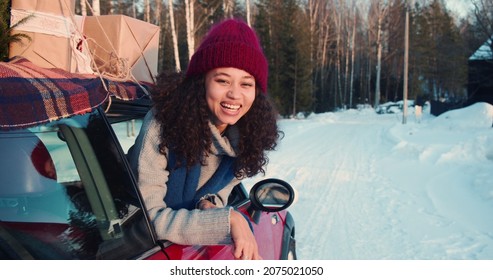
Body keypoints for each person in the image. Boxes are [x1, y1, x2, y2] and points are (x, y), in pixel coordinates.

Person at [127, 18, 281, 260]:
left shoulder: (245, 143)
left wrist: (207, 205)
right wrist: (228, 218)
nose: (235, 94)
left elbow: (217, 194)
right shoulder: (163, 125)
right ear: (201, 82)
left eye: (246, 84)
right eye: (222, 80)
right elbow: (149, 218)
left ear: (256, 92)